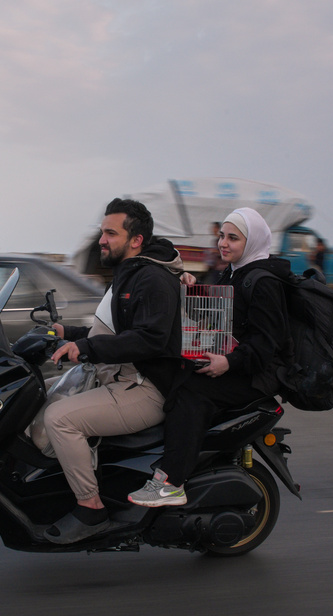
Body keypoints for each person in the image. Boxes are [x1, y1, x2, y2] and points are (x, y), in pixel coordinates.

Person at [127, 207, 292, 507]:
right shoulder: (234, 272)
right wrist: (189, 291)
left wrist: (228, 363)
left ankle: (171, 481)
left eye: (233, 238)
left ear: (252, 242)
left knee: (189, 390)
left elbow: (267, 344)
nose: (223, 243)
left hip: (256, 374)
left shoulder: (264, 282)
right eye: (221, 236)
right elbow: (221, 318)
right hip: (236, 360)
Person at [43, 197, 184, 543]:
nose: (102, 240)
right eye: (102, 231)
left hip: (145, 389)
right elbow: (112, 330)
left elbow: (150, 339)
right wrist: (68, 335)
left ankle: (90, 507)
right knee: (36, 395)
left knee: (59, 419)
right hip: (118, 376)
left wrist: (87, 348)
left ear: (136, 240)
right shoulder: (129, 272)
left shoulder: (152, 278)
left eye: (110, 233)